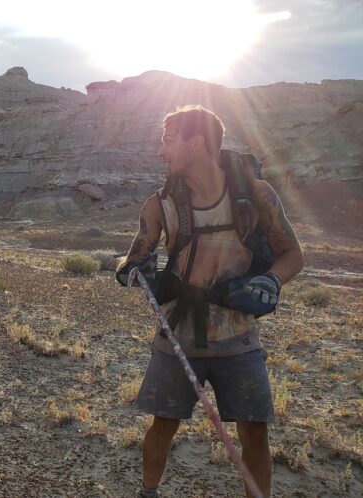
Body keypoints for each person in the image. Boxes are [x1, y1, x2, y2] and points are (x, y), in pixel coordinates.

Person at [116, 106, 303, 498]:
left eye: (167, 140)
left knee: (253, 429)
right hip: (178, 334)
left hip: (238, 335)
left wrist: (271, 279)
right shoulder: (161, 203)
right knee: (163, 424)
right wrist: (131, 269)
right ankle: (147, 493)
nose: (161, 150)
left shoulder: (254, 195)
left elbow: (293, 255)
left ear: (196, 142)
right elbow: (133, 255)